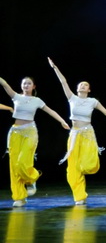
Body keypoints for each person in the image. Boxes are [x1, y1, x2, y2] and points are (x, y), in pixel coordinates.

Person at [49, 58, 106, 205]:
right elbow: (63, 82)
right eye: (81, 84)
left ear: (89, 90)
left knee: (89, 164)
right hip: (75, 133)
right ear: (77, 88)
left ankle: (83, 179)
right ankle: (80, 196)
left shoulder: (93, 101)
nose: (83, 86)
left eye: (86, 85)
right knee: (72, 167)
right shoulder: (72, 98)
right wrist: (55, 67)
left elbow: (105, 112)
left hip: (88, 133)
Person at [0, 75, 70, 207]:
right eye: (24, 83)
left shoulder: (37, 100)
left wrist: (62, 121)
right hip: (15, 133)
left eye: (28, 83)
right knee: (14, 166)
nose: (26, 85)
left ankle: (32, 178)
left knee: (23, 161)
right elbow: (4, 83)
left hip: (30, 132)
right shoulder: (16, 96)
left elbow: (50, 111)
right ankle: (19, 197)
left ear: (34, 86)